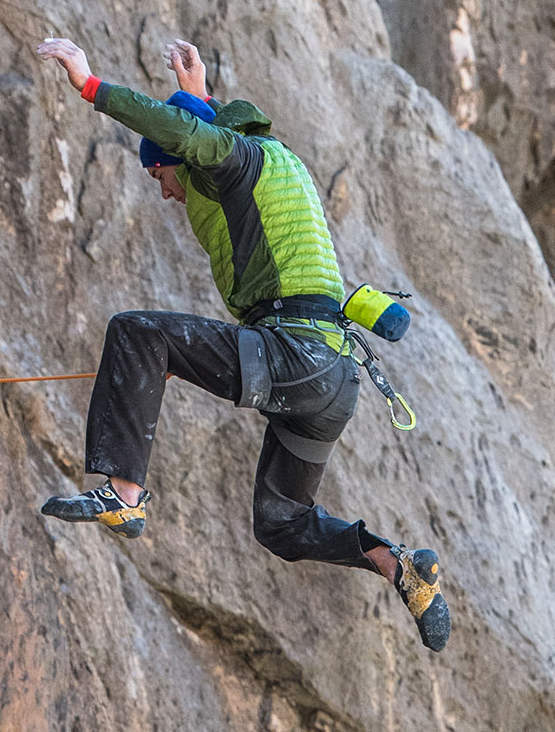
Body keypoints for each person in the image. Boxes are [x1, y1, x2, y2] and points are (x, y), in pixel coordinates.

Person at [32, 37, 449, 651]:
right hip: (335, 381)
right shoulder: (270, 160)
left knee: (137, 333)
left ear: (179, 157)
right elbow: (203, 134)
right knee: (281, 523)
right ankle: (397, 564)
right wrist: (200, 95)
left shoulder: (233, 158)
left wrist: (90, 85)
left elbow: (188, 134)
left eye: (160, 173)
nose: (165, 191)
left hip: (295, 356)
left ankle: (121, 494)